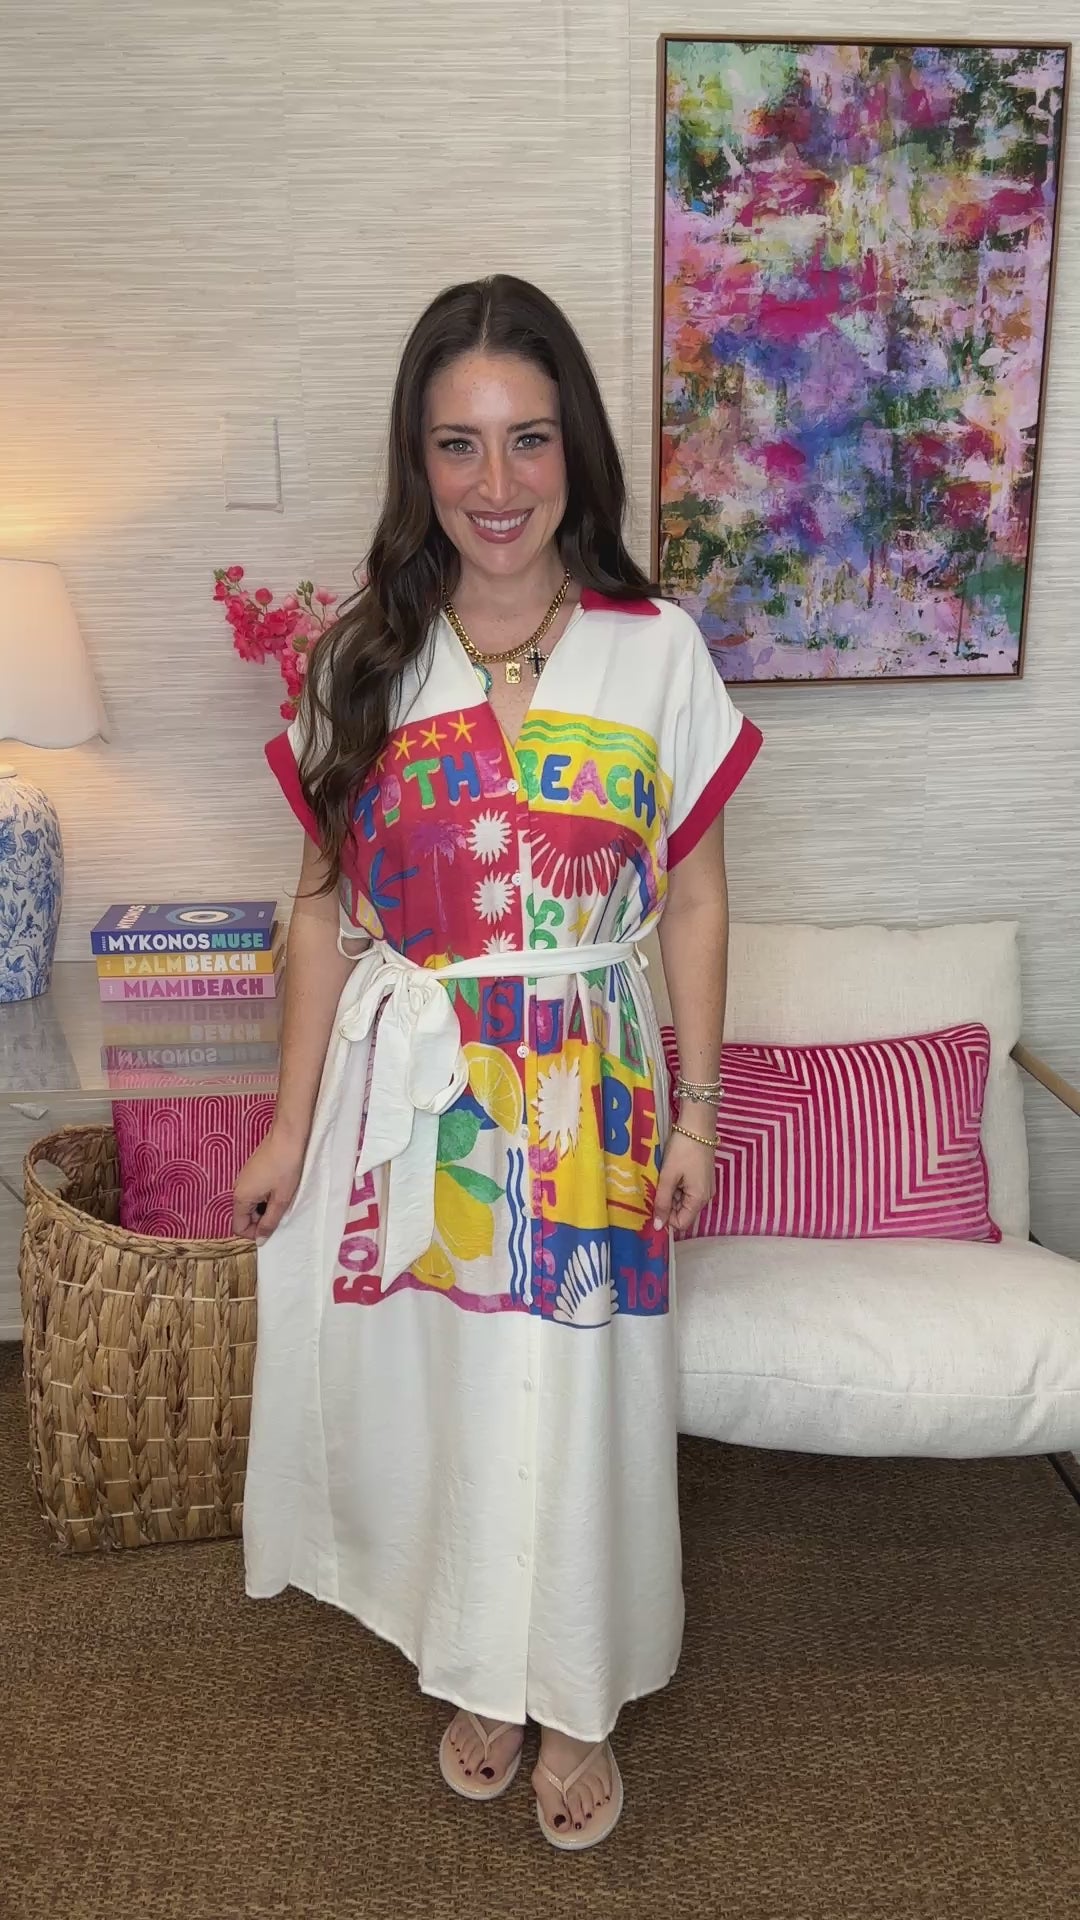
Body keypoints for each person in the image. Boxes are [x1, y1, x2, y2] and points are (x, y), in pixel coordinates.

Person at [233, 273, 762, 1852]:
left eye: (528, 440)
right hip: (432, 1097)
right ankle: (482, 1667)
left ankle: (581, 1693)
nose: (497, 484)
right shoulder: (366, 660)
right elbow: (323, 912)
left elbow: (700, 888)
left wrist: (697, 1104)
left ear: (574, 451)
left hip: (594, 1090)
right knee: (456, 1395)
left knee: (584, 1399)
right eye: (457, 446)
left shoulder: (654, 648)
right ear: (417, 461)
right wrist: (285, 1124)